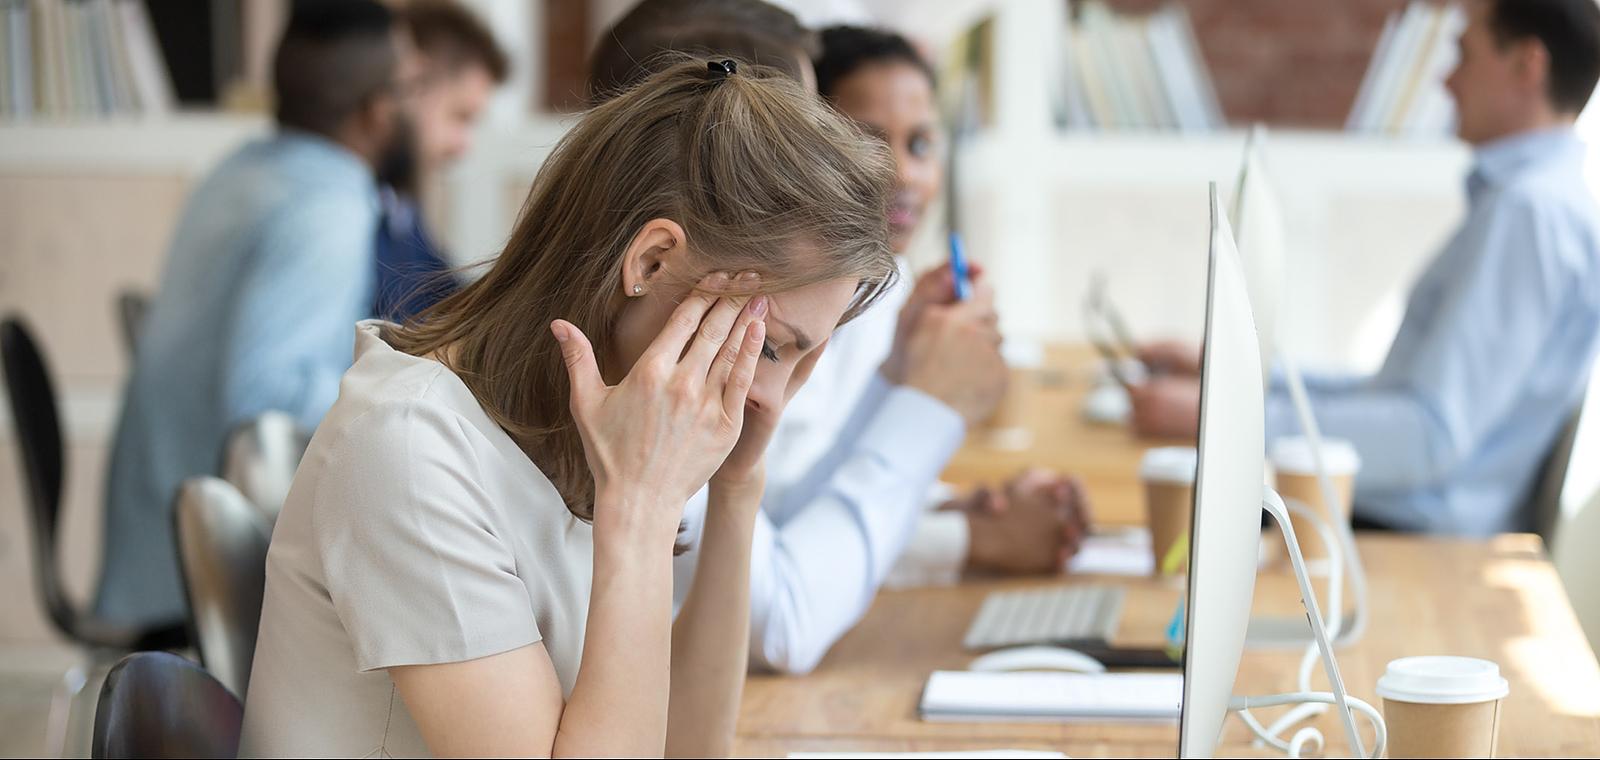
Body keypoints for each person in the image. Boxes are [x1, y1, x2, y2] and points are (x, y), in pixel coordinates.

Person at [240, 59, 898, 757]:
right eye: (768, 349)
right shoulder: (406, 449)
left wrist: (736, 490)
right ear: (649, 264)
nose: (766, 399)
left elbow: (688, 749)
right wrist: (639, 513)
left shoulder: (593, 430)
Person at [594, 5, 1091, 675]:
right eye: (809, 141)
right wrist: (926, 409)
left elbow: (779, 519)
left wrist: (897, 381)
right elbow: (782, 621)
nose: (845, 174)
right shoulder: (647, 379)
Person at [1131, 0, 1600, 537]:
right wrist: (1235, 376)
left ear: (1526, 65)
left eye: (1464, 55)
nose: (1447, 81)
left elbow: (1427, 436)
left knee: (1144, 519)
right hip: (1394, 518)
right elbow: (1394, 395)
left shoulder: (1531, 216)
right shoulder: (1533, 206)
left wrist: (1226, 421)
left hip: (1410, 537)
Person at [99, 0, 416, 626]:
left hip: (152, 545)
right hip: (205, 577)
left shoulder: (238, 169)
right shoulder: (325, 206)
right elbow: (265, 411)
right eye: (410, 87)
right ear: (379, 109)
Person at [372, 0, 508, 323]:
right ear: (412, 84)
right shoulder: (356, 215)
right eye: (459, 117)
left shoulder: (400, 207)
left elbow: (454, 301)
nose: (462, 146)